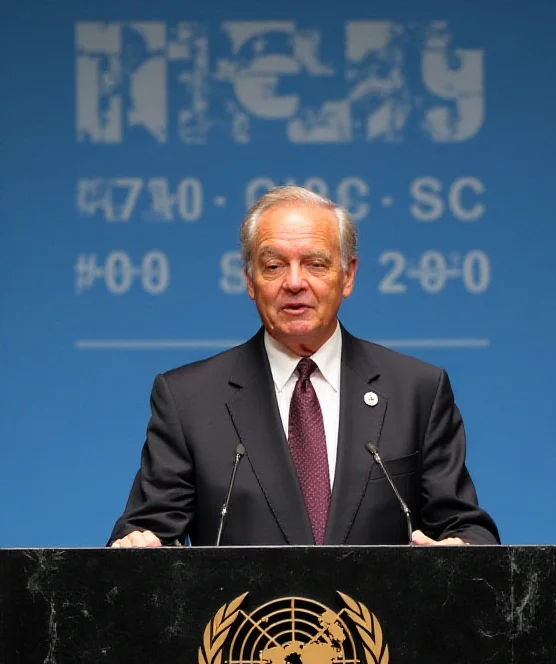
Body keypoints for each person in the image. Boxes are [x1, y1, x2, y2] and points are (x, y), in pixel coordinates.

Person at [109, 186, 499, 548]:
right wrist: (139, 546)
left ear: (347, 276)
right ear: (249, 281)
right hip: (247, 623)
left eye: (315, 264)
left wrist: (460, 553)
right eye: (274, 266)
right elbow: (148, 532)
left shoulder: (417, 390)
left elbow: (467, 527)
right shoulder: (189, 399)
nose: (294, 283)